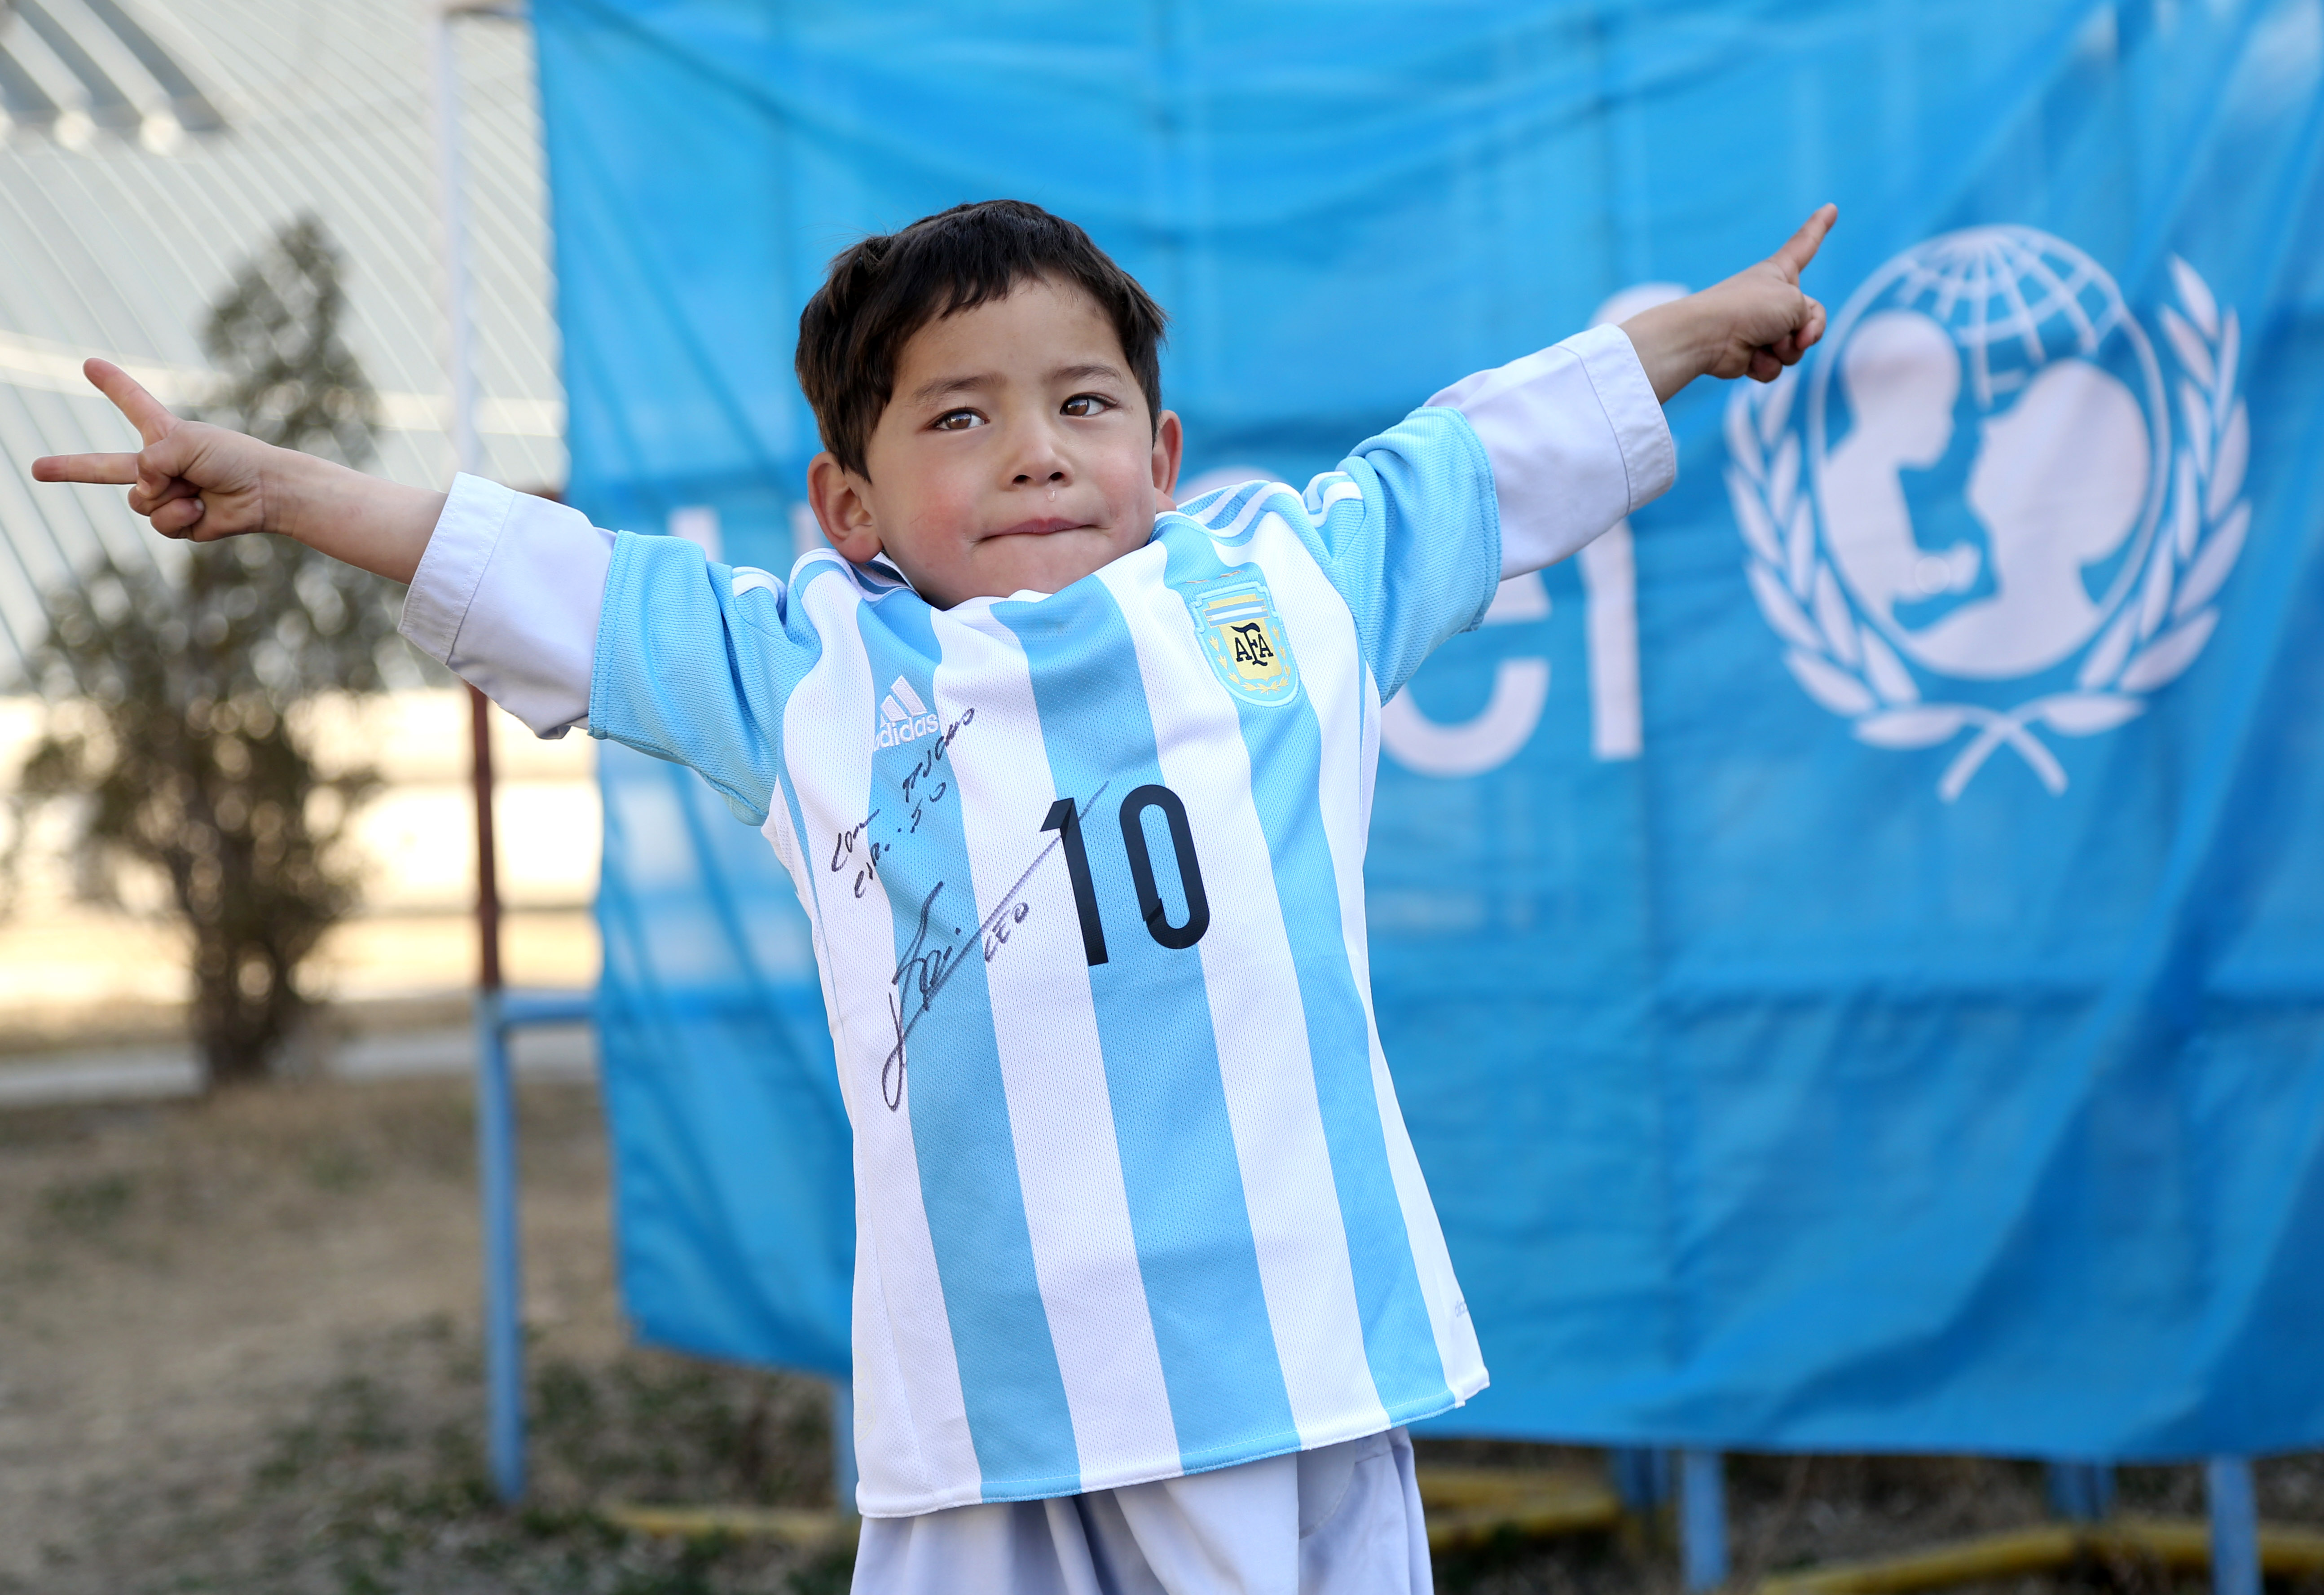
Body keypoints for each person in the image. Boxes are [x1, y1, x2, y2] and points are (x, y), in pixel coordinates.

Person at [35, 196, 1833, 1595]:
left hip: (1279, 1376)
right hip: (985, 1411)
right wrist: (279, 490)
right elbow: (556, 579)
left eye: (1082, 404)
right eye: (961, 415)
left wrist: (1692, 332)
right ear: (852, 503)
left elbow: (1478, 460)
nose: (1036, 449)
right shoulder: (809, 674)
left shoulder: (1284, 593)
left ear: (1161, 456)